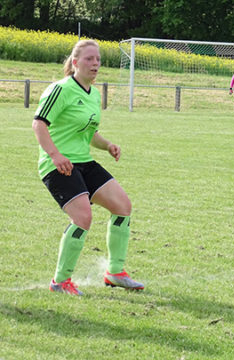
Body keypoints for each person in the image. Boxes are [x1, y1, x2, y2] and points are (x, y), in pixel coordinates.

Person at [32, 40, 144, 296]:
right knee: (83, 217)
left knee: (122, 206)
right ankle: (60, 282)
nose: (95, 64)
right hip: (57, 164)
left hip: (84, 161)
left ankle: (115, 273)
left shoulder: (94, 93)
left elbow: (89, 132)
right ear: (75, 63)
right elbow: (39, 124)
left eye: (98, 59)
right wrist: (55, 154)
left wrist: (107, 145)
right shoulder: (59, 90)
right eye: (89, 59)